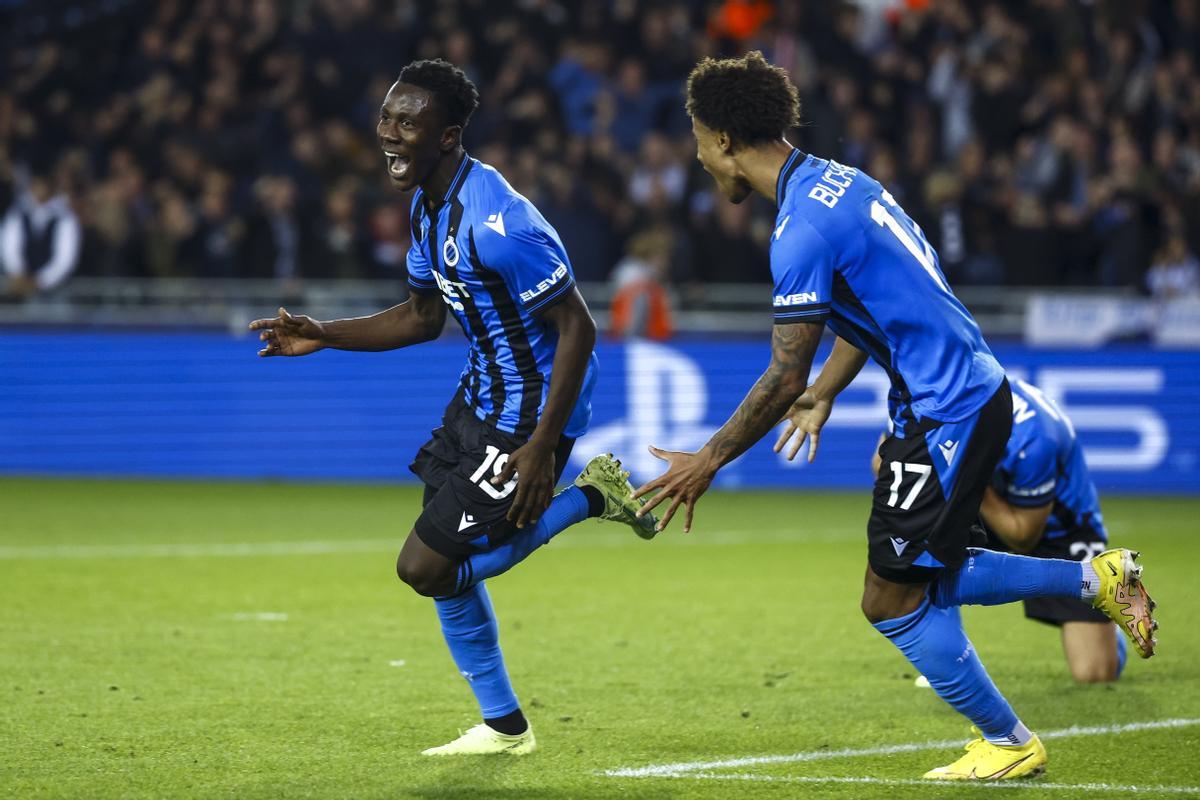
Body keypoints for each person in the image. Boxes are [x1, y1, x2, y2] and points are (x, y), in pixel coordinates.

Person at [634, 52, 1157, 782]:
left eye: (694, 137)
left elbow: (782, 372)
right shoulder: (840, 183)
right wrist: (829, 392)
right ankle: (1090, 585)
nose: (695, 155)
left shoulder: (798, 231)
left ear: (722, 138)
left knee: (891, 597)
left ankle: (1014, 733)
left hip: (950, 410)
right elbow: (870, 307)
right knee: (913, 580)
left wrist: (710, 458)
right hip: (953, 397)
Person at [250, 59, 656, 757]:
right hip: (476, 401)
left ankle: (589, 496)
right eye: (387, 117)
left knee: (424, 566)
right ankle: (505, 728)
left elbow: (578, 328)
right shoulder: (426, 207)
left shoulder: (501, 223)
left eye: (408, 122)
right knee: (447, 565)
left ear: (448, 136)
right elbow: (419, 318)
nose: (389, 133)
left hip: (526, 419)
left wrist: (540, 447)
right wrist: (325, 334)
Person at [873, 377, 1127, 685]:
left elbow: (1023, 536)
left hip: (1058, 527)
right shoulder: (925, 401)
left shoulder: (1033, 437)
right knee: (922, 534)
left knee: (1095, 674)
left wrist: (967, 479)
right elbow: (881, 464)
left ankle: (1108, 633)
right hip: (981, 505)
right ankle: (951, 657)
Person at [1, 164, 81, 298]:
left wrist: (41, 281)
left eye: (43, 185)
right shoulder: (17, 213)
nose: (39, 189)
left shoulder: (65, 217)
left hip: (54, 290)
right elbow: (9, 248)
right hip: (19, 287)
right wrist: (18, 274)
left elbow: (64, 260)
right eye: (35, 185)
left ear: (51, 187)